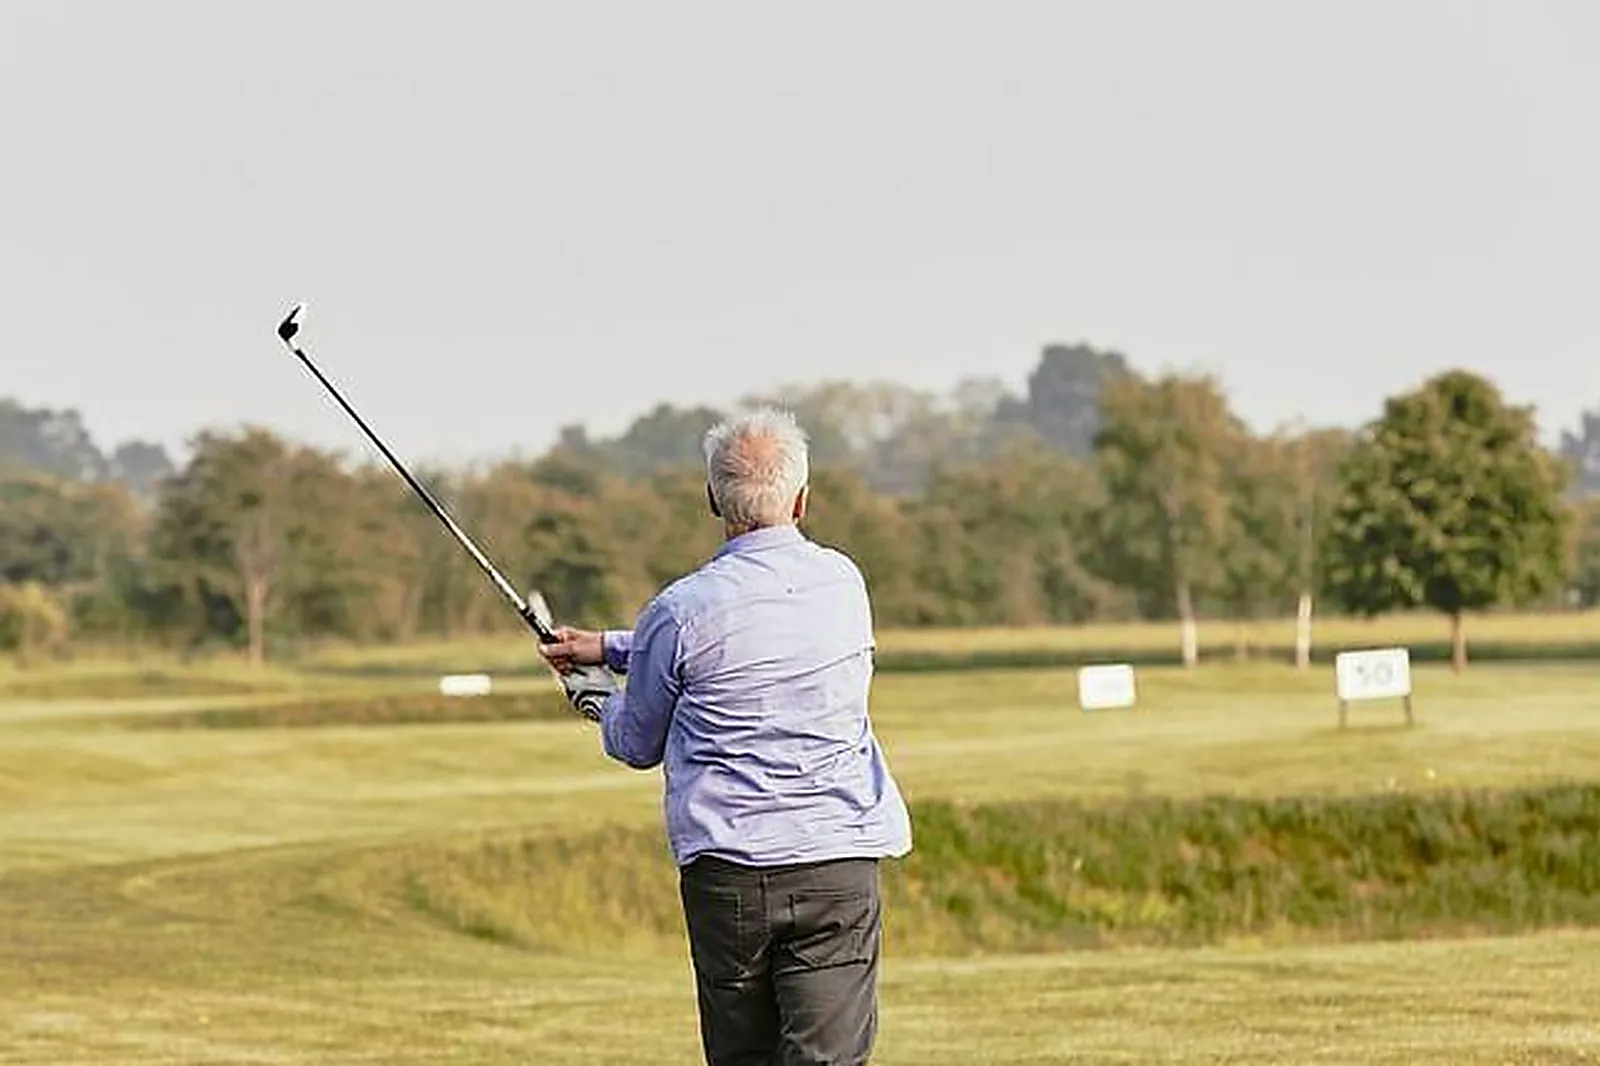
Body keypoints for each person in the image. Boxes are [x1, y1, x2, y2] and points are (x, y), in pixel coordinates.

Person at [538, 406, 913, 1066]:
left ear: (713, 498)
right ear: (802, 497)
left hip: (730, 877)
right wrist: (613, 647)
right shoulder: (843, 582)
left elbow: (635, 742)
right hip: (837, 862)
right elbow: (754, 634)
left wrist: (596, 689)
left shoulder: (678, 611)